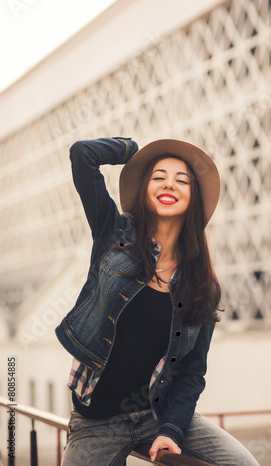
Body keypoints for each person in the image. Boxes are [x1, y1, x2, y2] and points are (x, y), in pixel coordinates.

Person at [56, 137, 259, 466]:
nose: (169, 184)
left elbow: (191, 373)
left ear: (192, 198)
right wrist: (133, 152)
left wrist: (172, 430)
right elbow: (83, 155)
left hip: (158, 412)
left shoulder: (203, 285)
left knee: (243, 464)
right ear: (145, 190)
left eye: (181, 180)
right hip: (97, 422)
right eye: (158, 176)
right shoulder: (113, 236)